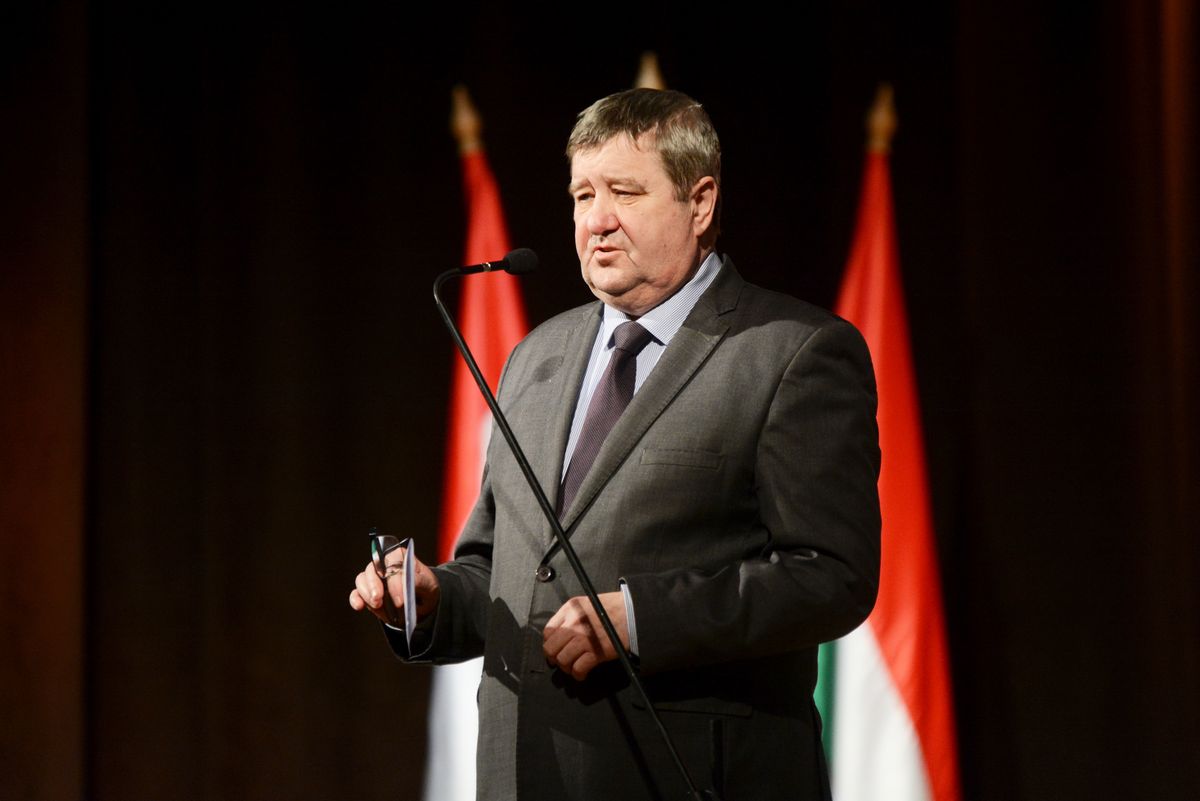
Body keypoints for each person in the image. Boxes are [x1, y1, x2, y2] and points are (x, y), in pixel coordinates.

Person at [350, 88, 881, 801]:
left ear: (700, 203)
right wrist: (432, 597)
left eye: (625, 192)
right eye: (582, 195)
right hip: (522, 775)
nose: (596, 219)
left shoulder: (791, 353)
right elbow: (501, 569)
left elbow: (830, 577)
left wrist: (641, 619)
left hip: (687, 776)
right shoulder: (535, 358)